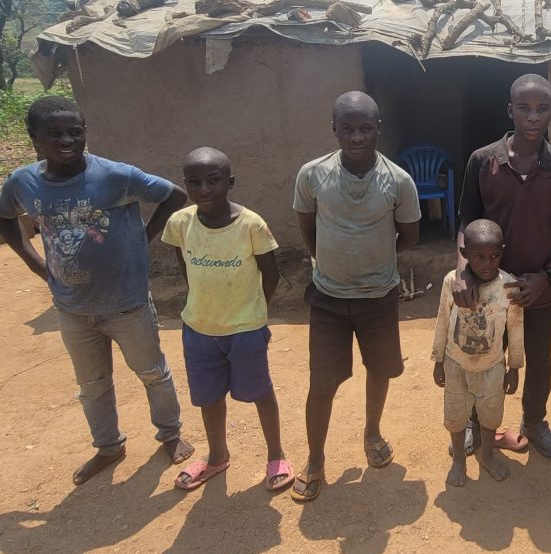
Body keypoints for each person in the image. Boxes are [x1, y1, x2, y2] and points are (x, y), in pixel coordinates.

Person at [0, 96, 194, 485]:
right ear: (35, 139)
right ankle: (108, 446)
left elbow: (173, 194)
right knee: (92, 384)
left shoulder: (113, 176)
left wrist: (143, 236)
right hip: (71, 307)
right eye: (54, 134)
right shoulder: (23, 182)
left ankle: (170, 434)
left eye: (75, 132)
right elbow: (6, 217)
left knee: (152, 372)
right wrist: (37, 265)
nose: (67, 140)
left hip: (127, 304)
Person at [291, 91, 420, 502]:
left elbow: (410, 236)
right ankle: (315, 459)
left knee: (379, 371)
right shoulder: (312, 176)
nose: (357, 136)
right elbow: (308, 230)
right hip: (328, 297)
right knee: (322, 383)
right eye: (347, 128)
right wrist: (332, 261)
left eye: (365, 127)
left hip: (380, 297)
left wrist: (372, 260)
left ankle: (372, 431)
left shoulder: (398, 180)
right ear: (334, 129)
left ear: (378, 129)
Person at [456, 74, 551, 459]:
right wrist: (464, 272)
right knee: (483, 359)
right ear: (510, 110)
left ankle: (534, 420)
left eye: (541, 109)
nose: (532, 116)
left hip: (539, 289)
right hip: (489, 288)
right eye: (524, 108)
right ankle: (479, 423)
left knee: (539, 361)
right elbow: (466, 222)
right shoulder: (482, 161)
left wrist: (547, 275)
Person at [161, 147, 293, 492]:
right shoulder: (180, 223)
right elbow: (184, 264)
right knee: (208, 397)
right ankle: (217, 455)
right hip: (199, 327)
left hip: (245, 329)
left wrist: (254, 312)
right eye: (195, 182)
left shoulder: (252, 225)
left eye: (213, 180)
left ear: (230, 182)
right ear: (186, 184)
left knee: (260, 391)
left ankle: (276, 454)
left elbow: (271, 273)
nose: (204, 189)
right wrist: (202, 303)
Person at [432, 219, 524, 486]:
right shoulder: (452, 282)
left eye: (494, 256)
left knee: (491, 413)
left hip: (493, 366)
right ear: (465, 255)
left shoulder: (510, 287)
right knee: (456, 414)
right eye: (478, 257)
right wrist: (438, 360)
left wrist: (514, 367)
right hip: (455, 364)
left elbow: (515, 330)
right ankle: (459, 460)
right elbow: (442, 321)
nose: (487, 263)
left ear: (503, 252)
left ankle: (487, 455)